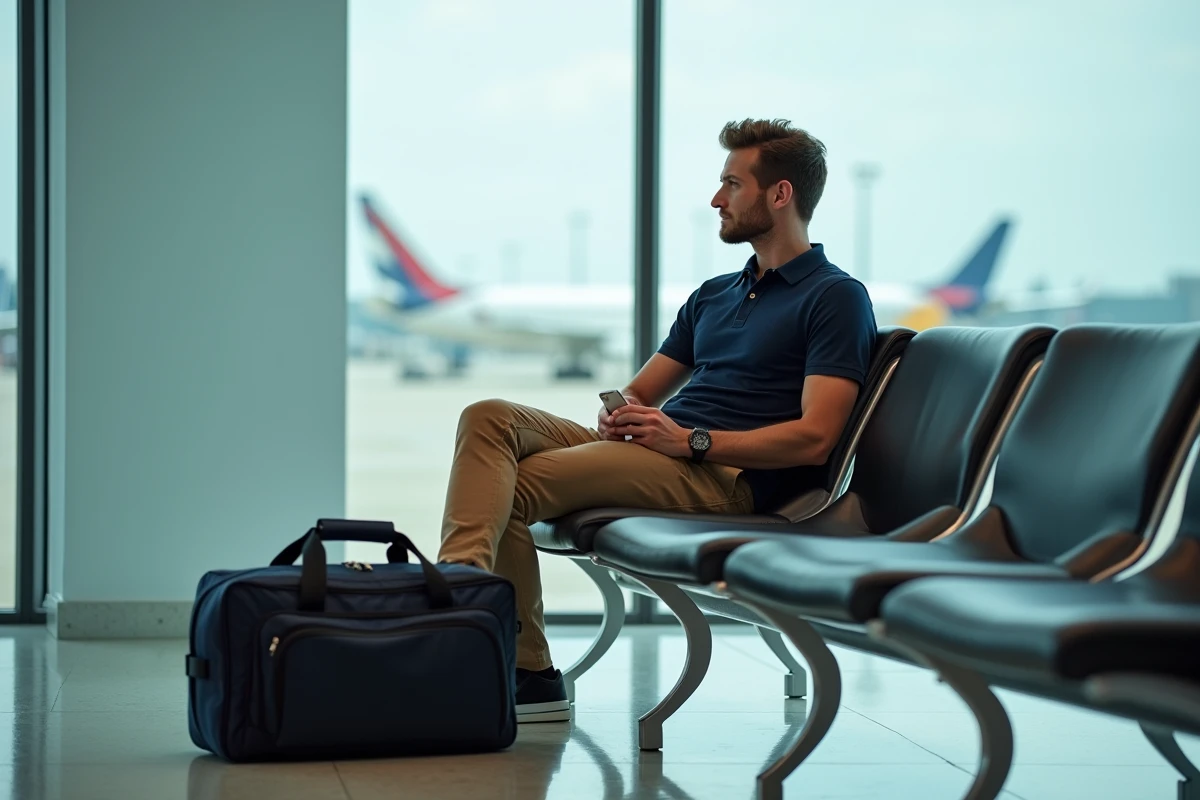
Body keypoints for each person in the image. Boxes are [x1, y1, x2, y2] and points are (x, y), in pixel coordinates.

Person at [437, 118, 878, 723]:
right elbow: (641, 389)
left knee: (512, 486)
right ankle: (459, 598)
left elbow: (815, 438)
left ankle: (519, 668)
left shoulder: (834, 297)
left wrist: (690, 441)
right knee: (487, 416)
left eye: (732, 184)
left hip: (725, 476)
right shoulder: (715, 294)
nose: (717, 199)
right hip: (662, 450)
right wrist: (618, 409)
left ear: (781, 194)